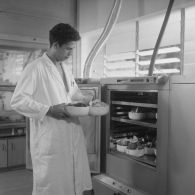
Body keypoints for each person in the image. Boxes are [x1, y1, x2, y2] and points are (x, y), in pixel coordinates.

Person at [10, 23, 94, 195]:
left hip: (71, 133)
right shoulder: (35, 68)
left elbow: (72, 92)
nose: (71, 54)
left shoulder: (64, 67)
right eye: (68, 49)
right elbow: (18, 100)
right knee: (52, 186)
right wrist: (48, 109)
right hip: (51, 139)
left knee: (74, 183)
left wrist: (87, 99)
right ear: (55, 45)